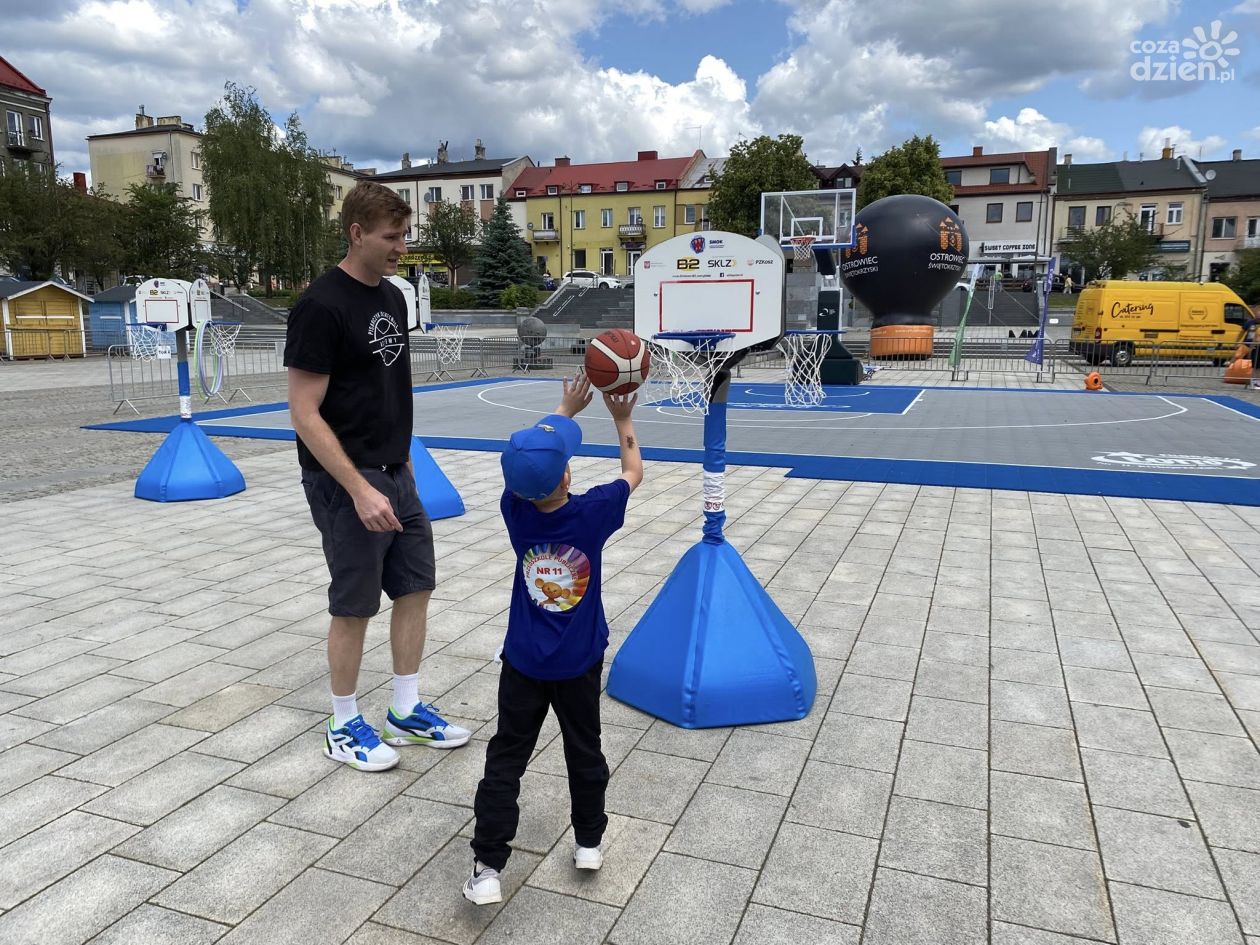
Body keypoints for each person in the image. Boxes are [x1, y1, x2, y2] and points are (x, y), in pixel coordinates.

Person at [285, 181, 470, 773]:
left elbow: (386, 391)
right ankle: (342, 724)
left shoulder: (393, 297)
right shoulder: (320, 306)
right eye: (392, 237)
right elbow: (304, 412)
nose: (401, 248)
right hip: (346, 481)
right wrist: (359, 487)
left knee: (415, 586)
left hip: (397, 469)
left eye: (405, 236)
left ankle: (405, 709)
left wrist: (403, 467)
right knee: (355, 602)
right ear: (356, 232)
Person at [463, 375, 642, 905]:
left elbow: (530, 464)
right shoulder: (594, 511)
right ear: (567, 475)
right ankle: (588, 841)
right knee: (584, 752)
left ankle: (489, 866)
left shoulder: (514, 511)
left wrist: (563, 407)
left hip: (522, 664)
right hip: (578, 664)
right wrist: (621, 417)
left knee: (506, 759)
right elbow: (633, 470)